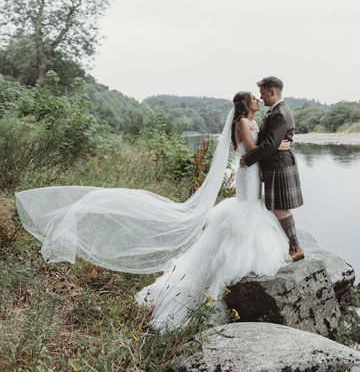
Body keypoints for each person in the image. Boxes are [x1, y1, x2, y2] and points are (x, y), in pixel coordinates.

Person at [15, 91, 294, 330]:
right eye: (253, 97)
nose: (258, 99)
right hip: (248, 177)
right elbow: (253, 149)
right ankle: (221, 284)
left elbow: (257, 150)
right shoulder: (244, 121)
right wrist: (277, 146)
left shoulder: (253, 119)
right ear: (245, 105)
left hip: (253, 172)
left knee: (251, 215)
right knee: (245, 217)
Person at [240, 76, 305, 261]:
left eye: (262, 94)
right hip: (278, 162)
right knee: (279, 207)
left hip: (279, 164)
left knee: (279, 208)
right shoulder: (277, 110)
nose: (260, 98)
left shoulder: (279, 112)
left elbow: (269, 144)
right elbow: (271, 143)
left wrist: (249, 159)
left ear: (272, 92)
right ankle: (292, 247)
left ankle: (296, 248)